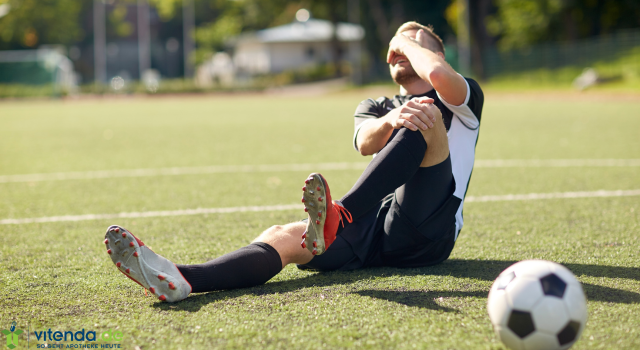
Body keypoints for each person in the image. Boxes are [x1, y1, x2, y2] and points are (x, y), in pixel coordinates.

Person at [103, 21, 484, 302]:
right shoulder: (374, 106)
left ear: (437, 53)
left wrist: (404, 39)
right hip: (374, 228)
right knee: (284, 235)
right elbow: (366, 143)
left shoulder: (462, 97)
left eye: (413, 44)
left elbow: (434, 72)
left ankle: (339, 214)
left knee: (424, 114)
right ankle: (182, 278)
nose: (401, 49)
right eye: (396, 47)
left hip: (429, 230)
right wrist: (391, 117)